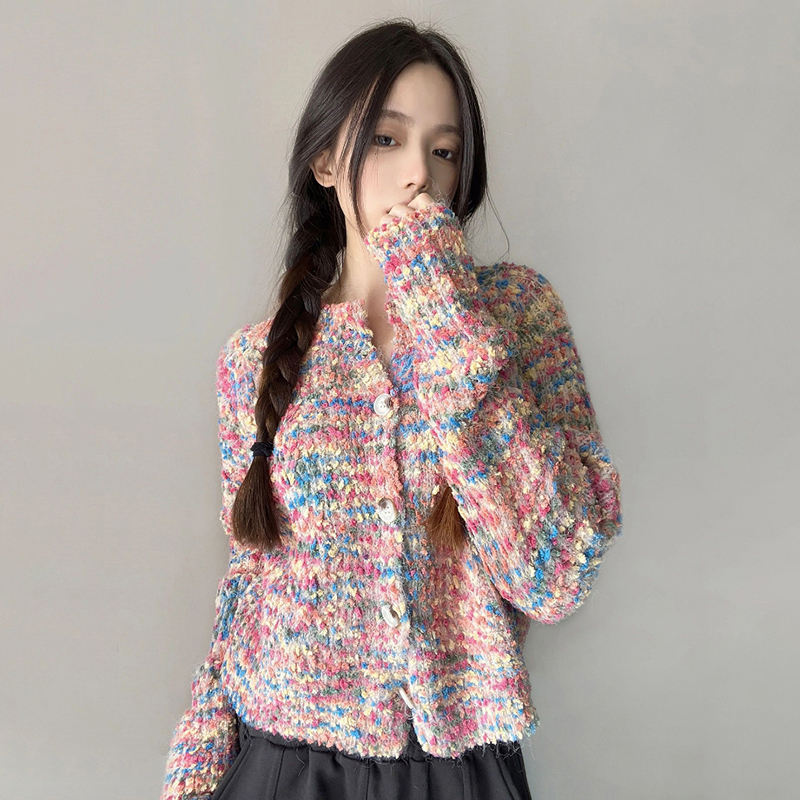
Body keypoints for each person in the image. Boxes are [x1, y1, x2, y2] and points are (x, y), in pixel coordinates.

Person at [159, 17, 623, 800]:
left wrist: (441, 306)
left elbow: (556, 575)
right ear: (325, 161)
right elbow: (248, 585)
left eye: (444, 151)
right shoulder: (256, 360)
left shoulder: (516, 317)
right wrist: (196, 770)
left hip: (458, 767)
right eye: (386, 139)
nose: (418, 174)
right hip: (280, 766)